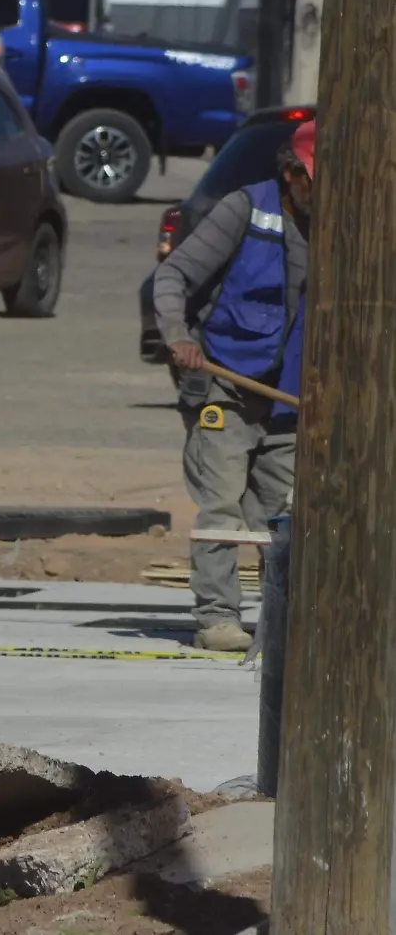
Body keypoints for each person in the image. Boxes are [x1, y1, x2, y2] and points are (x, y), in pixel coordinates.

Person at [152, 119, 312, 653]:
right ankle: (218, 617)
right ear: (292, 174)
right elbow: (173, 278)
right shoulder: (245, 209)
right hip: (228, 387)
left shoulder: (346, 227)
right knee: (221, 508)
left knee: (284, 519)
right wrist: (179, 337)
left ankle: (286, 619)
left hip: (292, 400)